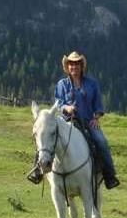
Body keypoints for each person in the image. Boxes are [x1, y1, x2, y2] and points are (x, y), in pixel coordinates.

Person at [28, 51, 120, 189]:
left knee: (101, 142)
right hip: (66, 121)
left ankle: (109, 175)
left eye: (77, 64)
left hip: (88, 122)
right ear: (67, 67)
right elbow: (58, 103)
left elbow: (98, 105)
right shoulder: (62, 84)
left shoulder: (92, 84)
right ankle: (38, 170)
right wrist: (67, 107)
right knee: (46, 137)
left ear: (81, 66)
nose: (74, 67)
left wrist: (96, 118)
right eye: (71, 64)